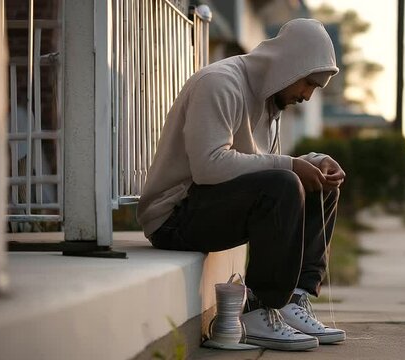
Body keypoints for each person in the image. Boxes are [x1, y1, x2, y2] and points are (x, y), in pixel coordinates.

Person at [136, 18, 346, 351]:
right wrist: (291, 166)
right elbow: (208, 167)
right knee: (285, 182)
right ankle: (259, 309)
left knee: (320, 183)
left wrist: (311, 162)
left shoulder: (269, 101)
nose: (306, 95)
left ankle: (294, 299)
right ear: (289, 66)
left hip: (209, 207)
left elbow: (257, 167)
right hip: (173, 218)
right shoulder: (220, 83)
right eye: (307, 83)